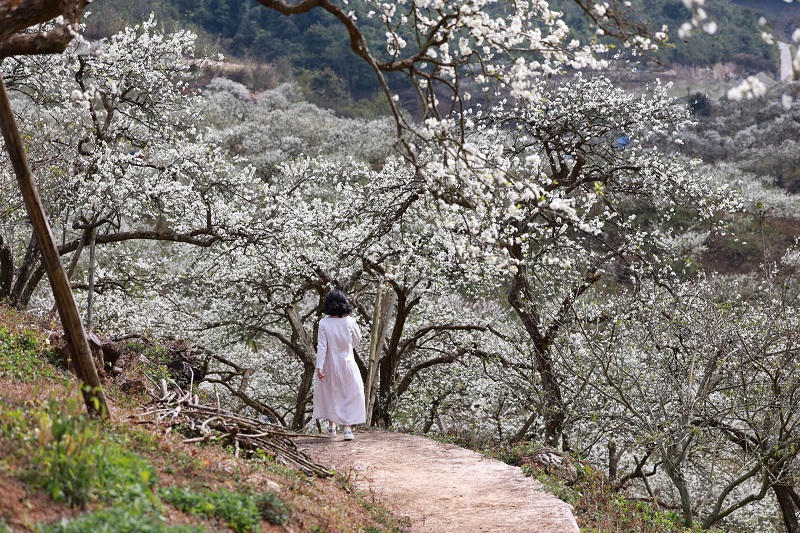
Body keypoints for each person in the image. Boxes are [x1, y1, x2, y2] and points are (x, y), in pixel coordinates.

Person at [312, 289, 365, 440]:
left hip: (329, 364)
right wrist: (347, 346)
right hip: (347, 362)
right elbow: (357, 340)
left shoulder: (324, 323)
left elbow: (321, 346)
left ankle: (331, 426)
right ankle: (347, 428)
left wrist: (319, 366)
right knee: (349, 393)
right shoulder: (350, 321)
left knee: (330, 393)